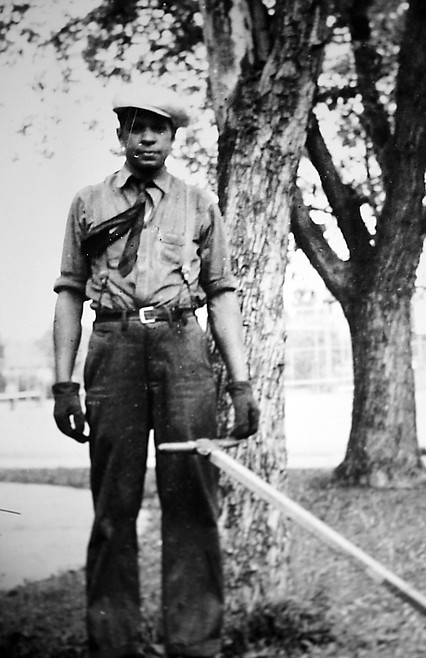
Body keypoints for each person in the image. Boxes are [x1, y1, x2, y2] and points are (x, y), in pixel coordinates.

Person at [52, 83, 260, 658]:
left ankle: (193, 643)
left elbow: (221, 294)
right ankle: (112, 642)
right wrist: (65, 383)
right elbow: (69, 293)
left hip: (182, 350)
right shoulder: (88, 202)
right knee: (112, 504)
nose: (147, 137)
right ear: (121, 135)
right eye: (136, 127)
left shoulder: (198, 204)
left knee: (192, 499)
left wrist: (241, 383)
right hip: (113, 347)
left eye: (158, 128)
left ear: (173, 138)